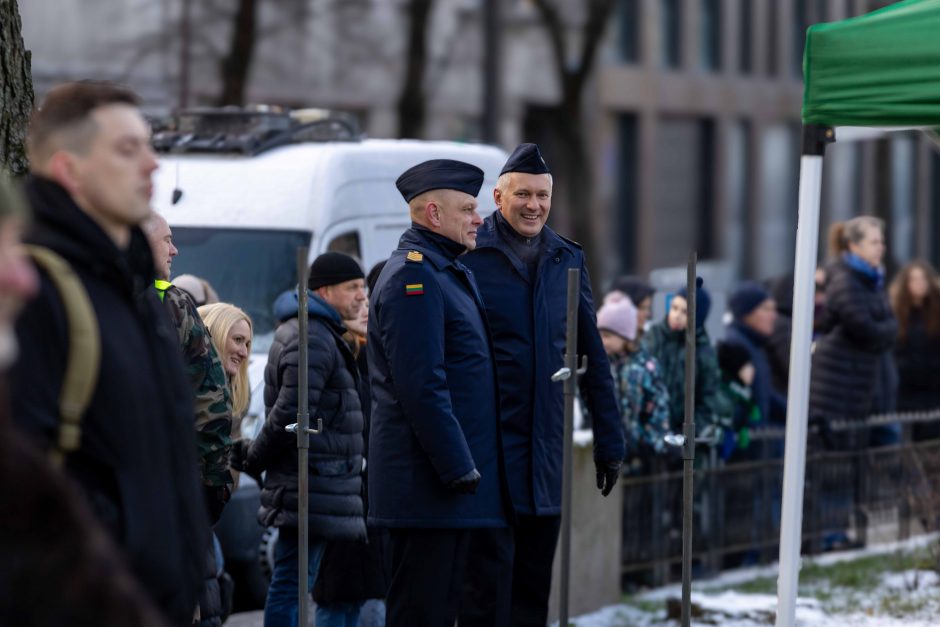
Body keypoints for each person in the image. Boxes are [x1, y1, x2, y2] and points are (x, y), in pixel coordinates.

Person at [9, 80, 207, 625]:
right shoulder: (34, 291)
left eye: (148, 145)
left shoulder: (137, 294)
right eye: (127, 150)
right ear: (70, 170)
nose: (152, 165)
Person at [460, 143, 624, 626]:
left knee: (533, 595)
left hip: (544, 455)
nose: (534, 205)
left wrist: (610, 442)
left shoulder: (566, 258)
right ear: (498, 196)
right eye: (523, 194)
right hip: (487, 455)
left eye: (543, 196)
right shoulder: (470, 255)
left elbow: (593, 352)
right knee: (484, 597)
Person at [368, 160, 510, 626]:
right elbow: (421, 385)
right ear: (433, 214)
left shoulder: (447, 272)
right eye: (468, 208)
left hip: (448, 493)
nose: (479, 218)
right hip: (427, 493)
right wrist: (458, 468)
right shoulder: (416, 277)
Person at [231, 252, 367, 627]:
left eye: (362, 286)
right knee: (292, 582)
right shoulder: (312, 337)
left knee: (297, 580)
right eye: (352, 287)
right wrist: (255, 458)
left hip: (321, 484)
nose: (361, 295)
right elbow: (292, 412)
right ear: (325, 290)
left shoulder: (320, 332)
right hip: (311, 483)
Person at [143, 212, 235, 627]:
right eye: (167, 240)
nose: (175, 250)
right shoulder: (171, 302)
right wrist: (213, 487)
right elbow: (211, 404)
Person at [810, 217, 898, 440]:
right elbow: (867, 330)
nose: (881, 248)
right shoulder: (845, 282)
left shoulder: (872, 280)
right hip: (841, 389)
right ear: (854, 245)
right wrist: (888, 328)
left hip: (863, 385)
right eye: (874, 242)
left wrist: (887, 328)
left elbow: (887, 327)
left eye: (881, 242)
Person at [596, 295, 670, 475]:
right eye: (599, 335)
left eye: (607, 336)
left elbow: (657, 410)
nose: (602, 341)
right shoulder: (602, 365)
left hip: (642, 456)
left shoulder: (644, 368)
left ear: (625, 336)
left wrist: (645, 442)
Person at [641, 278, 720, 439]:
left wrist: (686, 434)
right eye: (674, 308)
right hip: (649, 430)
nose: (677, 315)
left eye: (685, 312)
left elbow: (708, 399)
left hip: (682, 437)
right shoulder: (652, 338)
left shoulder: (703, 352)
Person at [889, 260, 940, 440]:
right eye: (913, 280)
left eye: (923, 279)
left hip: (933, 393)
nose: (919, 284)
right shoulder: (895, 313)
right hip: (905, 392)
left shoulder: (936, 313)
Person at [725, 281, 787, 428]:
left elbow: (764, 394)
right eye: (766, 309)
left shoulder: (754, 345)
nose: (774, 316)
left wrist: (802, 416)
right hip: (743, 444)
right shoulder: (735, 345)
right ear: (747, 313)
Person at [198, 303, 253, 438]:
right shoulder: (188, 382)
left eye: (247, 344)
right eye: (238, 340)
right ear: (216, 335)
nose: (244, 353)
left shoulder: (238, 387)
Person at [609, 275, 655, 339]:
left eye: (648, 308)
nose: (648, 314)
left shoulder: (649, 340)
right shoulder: (607, 344)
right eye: (641, 308)